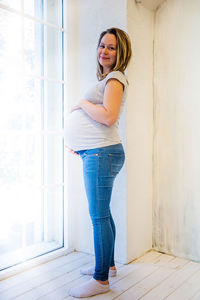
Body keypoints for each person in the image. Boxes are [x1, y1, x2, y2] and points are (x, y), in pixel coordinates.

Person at [65, 27, 132, 298]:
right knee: (103, 213)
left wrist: (81, 103)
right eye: (102, 45)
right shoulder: (108, 79)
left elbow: (108, 116)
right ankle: (110, 265)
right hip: (97, 152)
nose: (104, 51)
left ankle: (101, 279)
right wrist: (80, 146)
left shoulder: (115, 78)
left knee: (99, 216)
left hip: (102, 153)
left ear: (121, 52)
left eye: (112, 47)